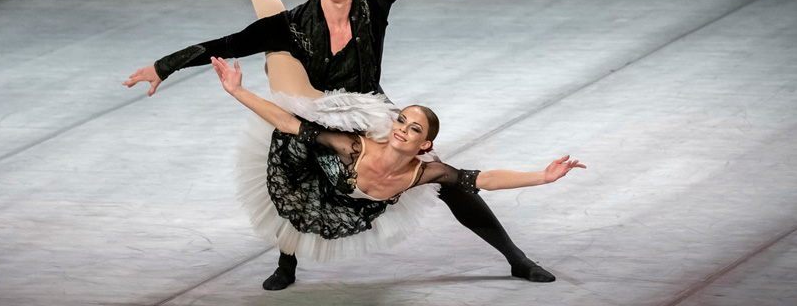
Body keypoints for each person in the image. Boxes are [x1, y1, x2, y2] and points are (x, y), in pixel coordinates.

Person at [125, 0, 558, 289]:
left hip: (365, 103)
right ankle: (287, 264)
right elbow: (229, 43)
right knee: (296, 150)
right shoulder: (293, 25)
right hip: (310, 97)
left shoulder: (375, 3)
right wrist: (163, 67)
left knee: (443, 176)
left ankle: (516, 257)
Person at [210, 55, 585, 284]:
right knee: (300, 194)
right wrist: (238, 91)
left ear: (426, 145)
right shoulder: (350, 146)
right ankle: (286, 264)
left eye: (414, 129)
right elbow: (288, 123)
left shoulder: (426, 172)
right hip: (319, 169)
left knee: (459, 188)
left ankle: (517, 260)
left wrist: (542, 177)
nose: (402, 129)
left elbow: (481, 179)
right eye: (401, 121)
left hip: (364, 195)